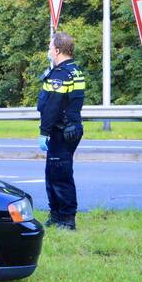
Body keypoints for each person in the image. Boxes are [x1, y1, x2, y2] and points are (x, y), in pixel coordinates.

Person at [37, 32, 85, 230]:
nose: (49, 51)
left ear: (57, 50)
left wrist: (44, 131)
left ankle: (66, 219)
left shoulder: (60, 75)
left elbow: (52, 106)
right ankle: (56, 215)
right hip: (70, 128)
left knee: (60, 175)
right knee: (53, 173)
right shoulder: (74, 70)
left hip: (61, 131)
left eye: (50, 48)